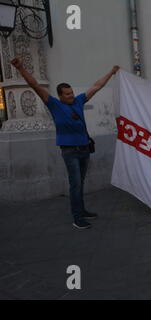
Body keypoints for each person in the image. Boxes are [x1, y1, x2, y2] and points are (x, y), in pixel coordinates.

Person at [11, 57, 120, 230]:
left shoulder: (79, 101)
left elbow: (96, 87)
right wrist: (21, 68)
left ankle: (82, 210)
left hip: (84, 149)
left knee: (80, 183)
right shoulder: (53, 104)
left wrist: (111, 72)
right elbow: (35, 86)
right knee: (75, 184)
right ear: (60, 96)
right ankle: (77, 218)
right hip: (70, 152)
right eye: (67, 94)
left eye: (71, 93)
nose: (71, 96)